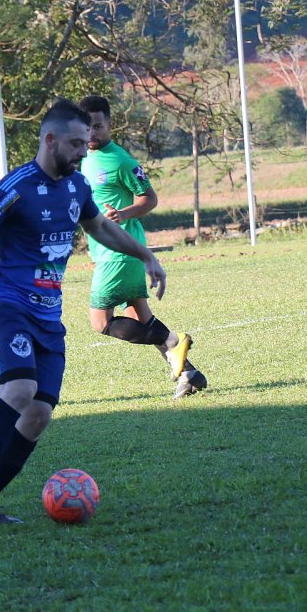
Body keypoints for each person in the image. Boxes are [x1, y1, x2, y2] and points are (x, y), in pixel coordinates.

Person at [0, 99, 167, 526]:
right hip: (8, 304)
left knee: (37, 415)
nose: (84, 152)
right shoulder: (16, 186)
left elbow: (101, 227)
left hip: (50, 316)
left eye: (86, 143)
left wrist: (145, 255)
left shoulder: (76, 186)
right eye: (76, 144)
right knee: (19, 391)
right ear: (50, 140)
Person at [77, 95, 208, 399]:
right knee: (141, 318)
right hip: (107, 251)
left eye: (98, 126)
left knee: (100, 322)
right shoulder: (80, 158)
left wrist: (123, 214)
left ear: (109, 124)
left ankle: (174, 341)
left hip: (120, 253)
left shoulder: (120, 160)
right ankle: (189, 374)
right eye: (87, 128)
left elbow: (149, 198)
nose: (92, 133)